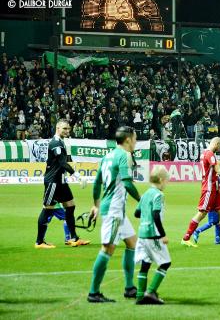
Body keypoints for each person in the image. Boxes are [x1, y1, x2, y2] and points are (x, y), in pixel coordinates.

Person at [87, 126, 142, 303]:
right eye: (134, 139)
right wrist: (142, 200)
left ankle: (129, 287)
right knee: (107, 248)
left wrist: (95, 206)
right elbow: (127, 182)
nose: (135, 142)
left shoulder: (107, 156)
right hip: (114, 210)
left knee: (132, 243)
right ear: (127, 140)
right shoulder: (123, 155)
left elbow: (96, 183)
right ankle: (93, 292)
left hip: (115, 209)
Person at [35, 119, 89, 249]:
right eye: (64, 128)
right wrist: (77, 175)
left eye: (68, 129)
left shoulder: (60, 142)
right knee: (47, 210)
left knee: (70, 206)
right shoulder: (55, 143)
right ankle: (39, 242)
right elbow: (62, 163)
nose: (67, 131)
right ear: (57, 128)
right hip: (53, 181)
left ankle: (74, 238)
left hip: (61, 181)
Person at [181, 137, 220, 247]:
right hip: (209, 188)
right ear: (216, 143)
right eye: (219, 146)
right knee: (202, 213)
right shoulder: (210, 154)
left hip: (214, 189)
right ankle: (186, 238)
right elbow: (218, 171)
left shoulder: (204, 153)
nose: (219, 148)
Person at [134, 165, 171, 305]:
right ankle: (150, 292)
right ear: (161, 179)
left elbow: (137, 213)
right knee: (165, 262)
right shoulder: (158, 195)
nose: (167, 183)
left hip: (142, 234)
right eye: (166, 180)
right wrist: (163, 235)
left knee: (146, 263)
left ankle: (139, 295)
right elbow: (156, 214)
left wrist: (145, 214)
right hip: (152, 234)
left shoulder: (145, 194)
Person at [193, 174, 220, 245]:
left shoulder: (214, 178)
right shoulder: (214, 179)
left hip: (212, 200)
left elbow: (218, 190)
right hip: (213, 202)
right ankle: (197, 231)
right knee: (212, 222)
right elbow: (215, 191)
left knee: (218, 221)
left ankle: (217, 239)